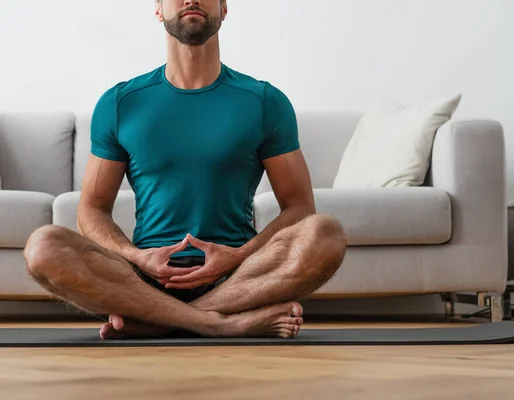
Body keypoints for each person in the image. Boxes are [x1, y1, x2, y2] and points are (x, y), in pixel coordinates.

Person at [23, 0, 346, 339]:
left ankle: (160, 321)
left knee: (326, 233)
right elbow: (91, 210)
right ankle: (221, 322)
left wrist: (237, 256)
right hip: (143, 279)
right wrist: (137, 256)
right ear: (159, 9)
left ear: (223, 8)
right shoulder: (120, 103)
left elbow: (299, 206)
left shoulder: (265, 101)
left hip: (239, 277)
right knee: (43, 246)